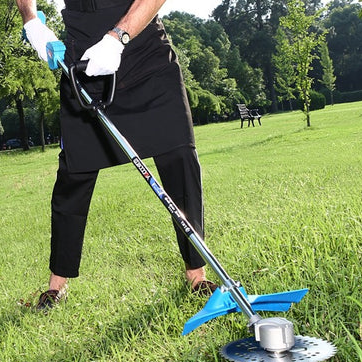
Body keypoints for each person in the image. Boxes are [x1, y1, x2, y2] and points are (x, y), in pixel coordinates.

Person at [16, 0, 218, 309]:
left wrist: (117, 37)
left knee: (179, 157)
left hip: (143, 52)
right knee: (74, 174)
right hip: (83, 59)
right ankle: (56, 286)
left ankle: (197, 274)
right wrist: (32, 22)